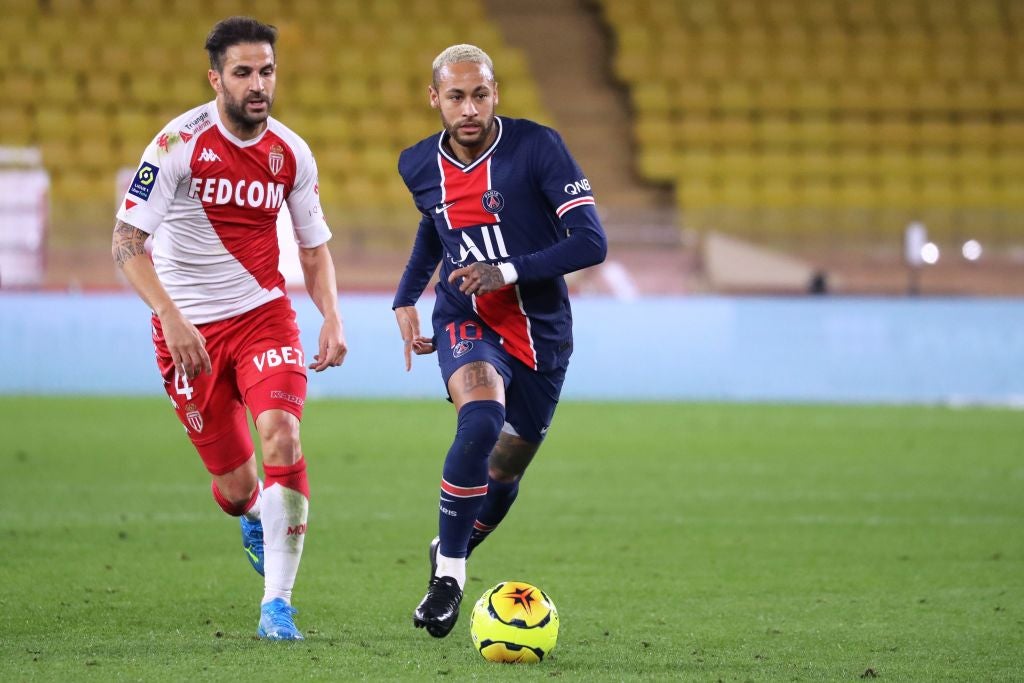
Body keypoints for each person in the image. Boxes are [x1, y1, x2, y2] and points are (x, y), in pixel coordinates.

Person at [110, 16, 347, 641]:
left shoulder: (291, 153)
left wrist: (331, 317)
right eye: (243, 72)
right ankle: (249, 515)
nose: (258, 84)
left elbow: (314, 246)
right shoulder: (176, 145)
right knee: (238, 485)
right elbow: (128, 240)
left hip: (264, 317)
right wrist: (169, 314)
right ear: (216, 77)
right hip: (187, 334)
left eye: (266, 70)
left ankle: (278, 606)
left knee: (282, 438)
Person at [392, 44, 607, 638]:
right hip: (466, 317)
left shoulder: (538, 147)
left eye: (479, 94)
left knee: (505, 472)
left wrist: (506, 270)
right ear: (435, 97)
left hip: (541, 332)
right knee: (481, 418)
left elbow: (591, 242)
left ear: (496, 95)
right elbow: (434, 228)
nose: (468, 108)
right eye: (456, 96)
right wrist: (407, 296)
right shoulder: (417, 164)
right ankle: (451, 579)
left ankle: (449, 546)